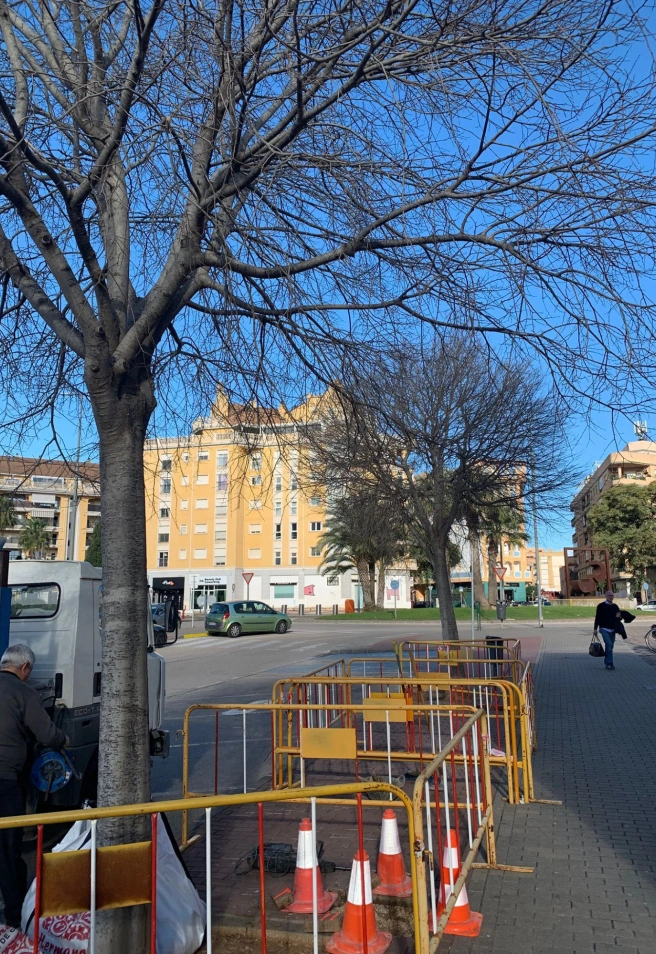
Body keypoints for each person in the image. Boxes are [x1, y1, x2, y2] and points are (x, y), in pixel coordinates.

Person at [0, 643, 67, 928]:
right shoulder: (24, 692)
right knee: (7, 849)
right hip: (5, 780)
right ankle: (15, 916)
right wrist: (63, 740)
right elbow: (47, 733)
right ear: (25, 667)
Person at [593, 591, 622, 670]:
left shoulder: (615, 606)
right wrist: (595, 629)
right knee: (609, 645)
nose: (611, 597)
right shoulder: (601, 606)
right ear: (606, 596)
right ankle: (609, 663)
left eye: (612, 595)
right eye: (609, 595)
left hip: (612, 629)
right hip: (603, 628)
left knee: (610, 646)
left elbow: (619, 618)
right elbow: (597, 617)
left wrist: (619, 617)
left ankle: (607, 661)